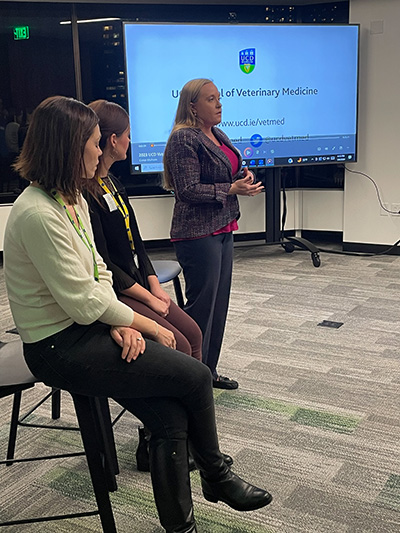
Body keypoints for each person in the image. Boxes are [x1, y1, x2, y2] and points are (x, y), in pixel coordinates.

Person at [4, 95, 272, 533]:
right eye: (93, 144)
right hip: (57, 345)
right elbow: (84, 300)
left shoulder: (68, 199)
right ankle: (216, 474)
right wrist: (139, 324)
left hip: (83, 327)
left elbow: (96, 274)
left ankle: (182, 525)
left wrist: (117, 324)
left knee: (170, 417)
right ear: (71, 149)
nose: (99, 151)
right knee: (196, 375)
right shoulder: (37, 212)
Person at [163, 78, 264, 390]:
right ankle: (188, 375)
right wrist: (232, 188)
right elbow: (188, 189)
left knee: (218, 306)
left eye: (219, 98)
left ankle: (209, 372)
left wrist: (241, 176)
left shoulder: (216, 133)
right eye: (211, 99)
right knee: (201, 307)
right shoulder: (184, 139)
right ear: (193, 106)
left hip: (223, 227)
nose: (219, 104)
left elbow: (223, 170)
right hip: (197, 233)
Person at [84, 99, 202, 363]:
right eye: (128, 135)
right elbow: (103, 263)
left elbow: (136, 242)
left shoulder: (112, 183)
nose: (130, 140)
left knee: (193, 334)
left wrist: (153, 285)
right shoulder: (86, 194)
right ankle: (177, 399)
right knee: (180, 346)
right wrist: (148, 298)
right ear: (113, 140)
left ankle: (196, 396)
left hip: (138, 281)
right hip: (118, 289)